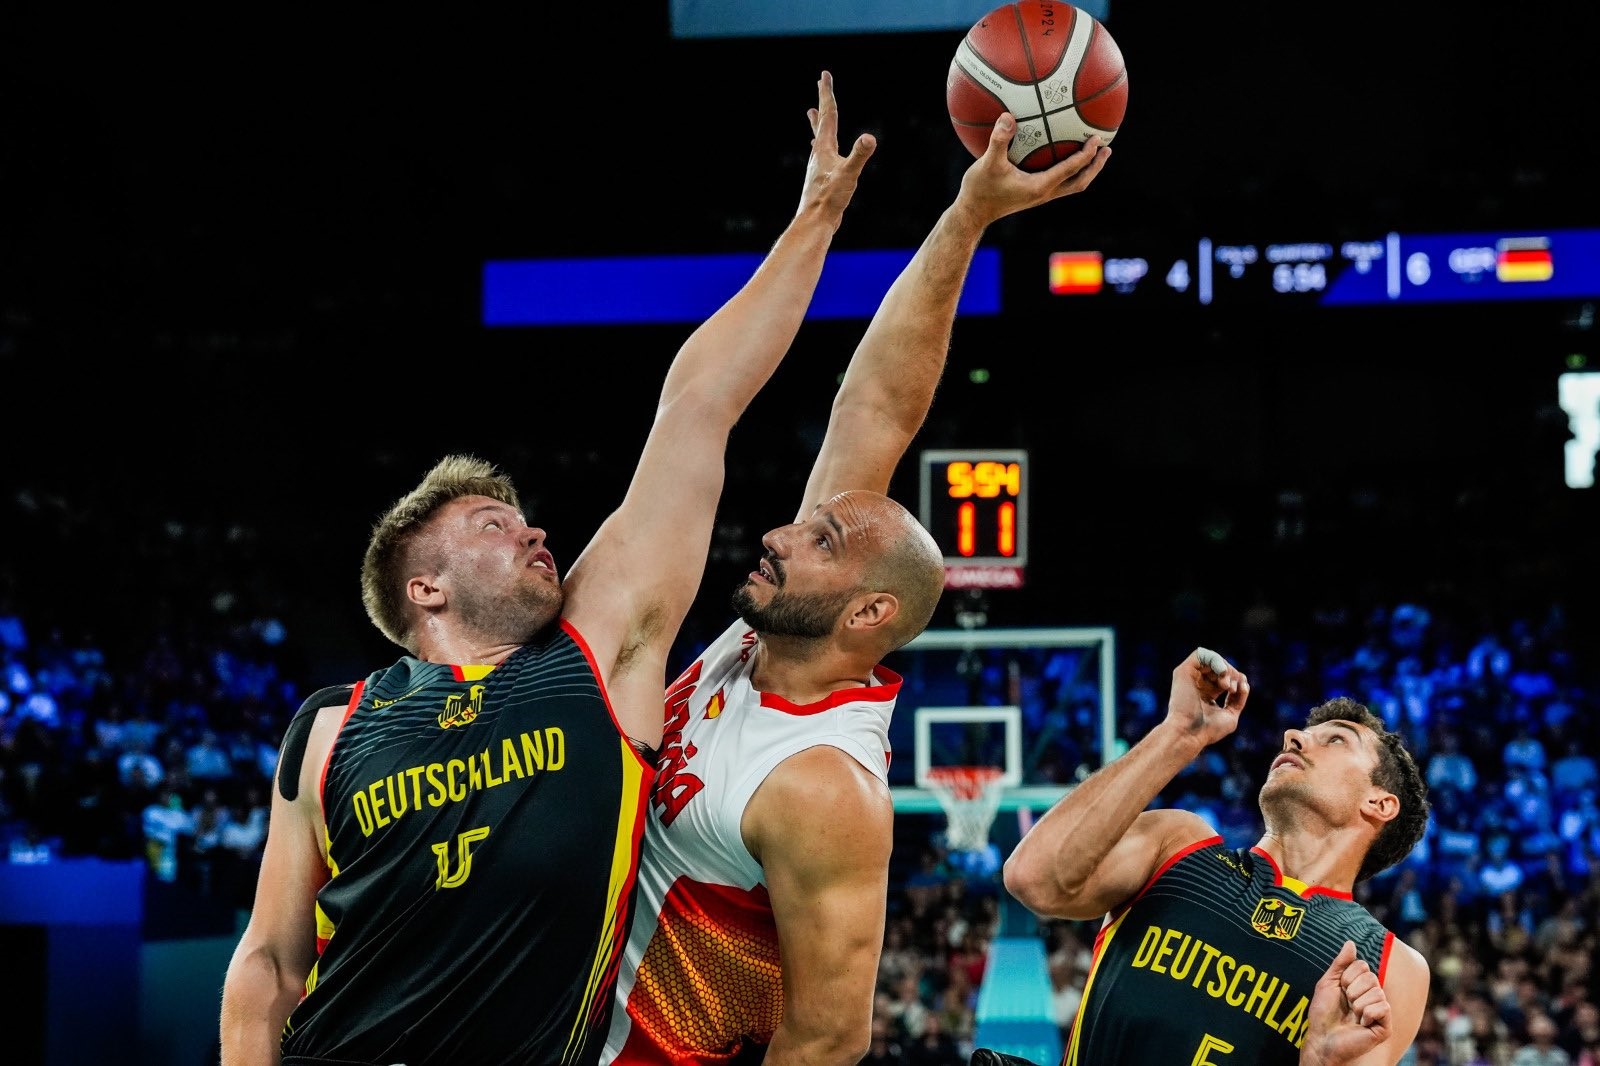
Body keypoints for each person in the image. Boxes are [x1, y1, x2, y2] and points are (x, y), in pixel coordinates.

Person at [218, 71, 877, 1066]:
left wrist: (815, 220)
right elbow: (269, 959)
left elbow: (696, 405)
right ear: (422, 588)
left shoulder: (595, 657)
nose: (530, 532)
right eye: (491, 523)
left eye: (523, 517)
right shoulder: (330, 726)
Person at [600, 94, 1112, 1064]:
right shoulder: (763, 638)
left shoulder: (822, 786)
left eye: (823, 536)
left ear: (868, 610)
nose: (785, 531)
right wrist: (967, 216)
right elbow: (876, 402)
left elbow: (829, 1042)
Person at [988, 649, 1433, 1066]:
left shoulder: (1391, 967)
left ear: (1380, 803)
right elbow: (1032, 877)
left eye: (1336, 740)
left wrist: (1317, 1060)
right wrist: (1179, 734)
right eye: (1302, 733)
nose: (1293, 737)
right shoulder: (1178, 844)